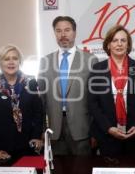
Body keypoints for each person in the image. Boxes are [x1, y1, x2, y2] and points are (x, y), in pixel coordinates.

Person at [38, 16, 98, 155]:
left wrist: (95, 131)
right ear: (54, 34)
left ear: (74, 32)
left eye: (67, 30)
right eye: (58, 31)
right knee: (58, 169)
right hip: (54, 129)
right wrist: (42, 129)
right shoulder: (45, 61)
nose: (63, 35)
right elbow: (41, 99)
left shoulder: (90, 60)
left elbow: (95, 99)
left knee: (82, 169)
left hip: (82, 129)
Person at [88, 25, 135, 156]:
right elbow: (93, 104)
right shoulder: (97, 69)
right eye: (115, 40)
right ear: (108, 45)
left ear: (128, 45)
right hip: (108, 135)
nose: (119, 44)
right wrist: (108, 128)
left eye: (123, 40)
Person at [0, 45, 43, 161]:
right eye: (6, 59)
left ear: (20, 61)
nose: (11, 62)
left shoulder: (31, 82)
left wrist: (36, 137)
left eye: (15, 58)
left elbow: (38, 113)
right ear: (0, 62)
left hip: (28, 147)